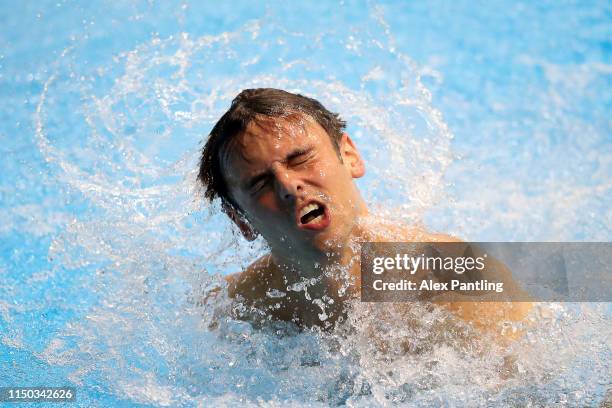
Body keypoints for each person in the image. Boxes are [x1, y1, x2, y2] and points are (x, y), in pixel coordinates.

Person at [198, 88, 532, 337]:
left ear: (350, 156)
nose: (288, 186)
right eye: (259, 183)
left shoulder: (457, 282)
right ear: (241, 220)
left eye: (300, 159)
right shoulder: (237, 310)